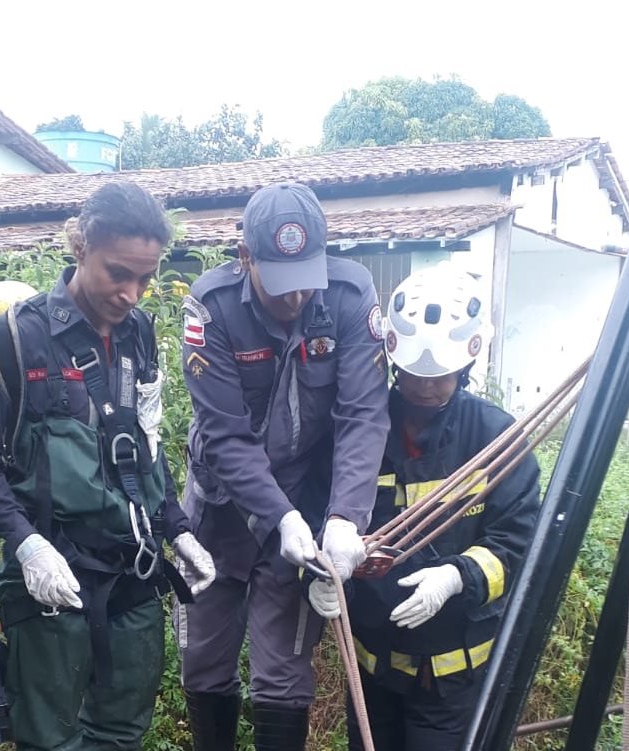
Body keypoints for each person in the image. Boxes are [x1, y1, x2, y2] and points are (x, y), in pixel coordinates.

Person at [0, 181, 217, 751]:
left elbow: (145, 445)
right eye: (118, 273)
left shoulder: (139, 334)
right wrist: (27, 546)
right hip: (53, 576)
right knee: (48, 738)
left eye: (145, 278)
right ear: (80, 247)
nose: (131, 293)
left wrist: (177, 527)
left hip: (133, 573)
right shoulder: (14, 338)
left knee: (122, 733)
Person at [176, 181, 390, 751]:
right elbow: (224, 434)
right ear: (245, 256)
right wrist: (279, 517)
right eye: (280, 283)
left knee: (283, 672)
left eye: (305, 280)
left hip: (305, 502)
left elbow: (362, 415)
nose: (295, 299)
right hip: (221, 507)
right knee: (203, 659)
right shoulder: (212, 307)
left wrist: (344, 518)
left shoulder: (350, 295)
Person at [343, 263, 541, 750]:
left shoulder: (495, 438)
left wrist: (457, 576)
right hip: (373, 671)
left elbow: (517, 542)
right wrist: (321, 574)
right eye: (414, 373)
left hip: (451, 679)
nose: (425, 386)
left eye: (439, 375)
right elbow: (325, 513)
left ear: (465, 364)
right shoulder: (363, 430)